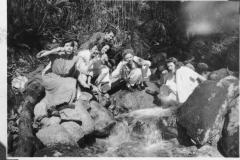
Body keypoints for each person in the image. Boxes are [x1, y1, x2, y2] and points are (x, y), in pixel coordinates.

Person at [36, 35, 80, 110]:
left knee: (72, 81)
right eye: (67, 46)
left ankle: (62, 104)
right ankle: (58, 104)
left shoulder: (74, 58)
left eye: (71, 46)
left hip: (61, 79)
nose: (69, 48)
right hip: (51, 77)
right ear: (63, 47)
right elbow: (39, 56)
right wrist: (56, 50)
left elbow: (72, 73)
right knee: (66, 83)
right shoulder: (57, 54)